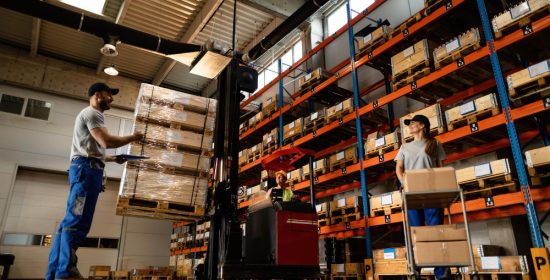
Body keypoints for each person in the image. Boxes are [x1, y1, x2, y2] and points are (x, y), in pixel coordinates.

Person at [46, 83, 143, 280]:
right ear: (98, 95)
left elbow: (89, 150)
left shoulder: (89, 115)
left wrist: (112, 158)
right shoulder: (93, 113)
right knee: (77, 220)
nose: (112, 99)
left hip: (86, 169)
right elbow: (106, 142)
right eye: (109, 94)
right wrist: (133, 137)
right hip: (86, 173)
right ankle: (66, 271)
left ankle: (55, 272)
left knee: (68, 222)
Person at [395, 114, 449, 280]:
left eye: (413, 123)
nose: (410, 126)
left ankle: (441, 273)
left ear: (423, 125)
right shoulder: (404, 147)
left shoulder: (435, 144)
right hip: (412, 195)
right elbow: (399, 169)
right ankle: (415, 271)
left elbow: (441, 168)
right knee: (415, 233)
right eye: (409, 124)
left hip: (432, 194)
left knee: (435, 233)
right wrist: (406, 183)